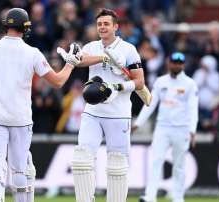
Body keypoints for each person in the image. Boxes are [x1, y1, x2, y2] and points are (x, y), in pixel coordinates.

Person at [0, 8, 81, 202]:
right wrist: (71, 64)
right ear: (25, 28)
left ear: (6, 25)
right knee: (21, 168)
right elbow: (58, 81)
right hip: (20, 118)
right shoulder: (32, 53)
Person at [59, 8, 145, 202]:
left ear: (116, 26)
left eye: (106, 24)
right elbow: (81, 60)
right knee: (81, 158)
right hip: (93, 112)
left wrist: (117, 86)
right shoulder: (92, 46)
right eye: (99, 24)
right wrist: (105, 57)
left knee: (117, 164)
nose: (102, 27)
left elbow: (139, 83)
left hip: (119, 114)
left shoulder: (128, 49)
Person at [133, 52, 199, 202]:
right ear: (168, 63)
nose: (176, 65)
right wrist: (138, 123)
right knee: (156, 161)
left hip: (182, 129)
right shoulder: (160, 82)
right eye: (174, 62)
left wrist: (192, 131)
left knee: (179, 166)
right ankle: (150, 196)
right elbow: (150, 103)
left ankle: (178, 197)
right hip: (162, 128)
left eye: (179, 62)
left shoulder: (190, 84)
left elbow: (193, 108)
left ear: (183, 65)